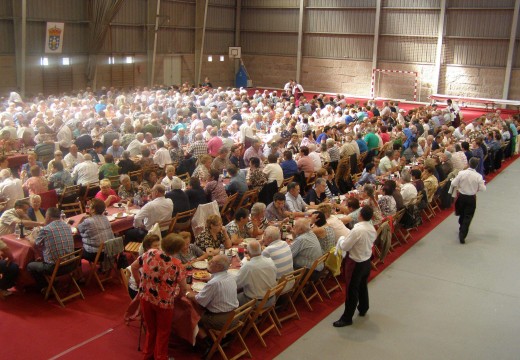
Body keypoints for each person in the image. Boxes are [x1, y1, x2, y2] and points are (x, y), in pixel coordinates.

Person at [130, 234, 188, 360]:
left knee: (151, 330)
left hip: (145, 297)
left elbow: (134, 267)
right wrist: (177, 297)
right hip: (164, 303)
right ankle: (160, 357)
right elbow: (184, 288)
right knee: (163, 332)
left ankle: (147, 355)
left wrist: (140, 283)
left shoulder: (149, 253)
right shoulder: (177, 265)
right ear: (177, 250)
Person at [334, 205, 377, 327]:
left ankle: (347, 317)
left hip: (356, 263)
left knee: (352, 290)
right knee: (363, 285)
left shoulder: (357, 230)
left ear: (360, 215)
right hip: (366, 261)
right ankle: (363, 307)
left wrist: (341, 239)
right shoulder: (371, 228)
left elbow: (345, 246)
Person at [185, 255, 238, 350]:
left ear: (219, 267)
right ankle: (223, 338)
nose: (208, 262)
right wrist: (210, 278)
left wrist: (188, 292)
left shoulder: (214, 283)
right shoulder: (230, 276)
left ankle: (207, 342)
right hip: (235, 316)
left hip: (221, 320)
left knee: (190, 314)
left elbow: (199, 301)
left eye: (212, 262)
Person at [27, 207, 75, 290]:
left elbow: (35, 245)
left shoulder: (46, 229)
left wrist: (30, 236)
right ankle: (51, 283)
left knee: (30, 265)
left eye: (45, 217)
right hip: (71, 264)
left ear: (49, 217)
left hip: (55, 268)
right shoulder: (67, 226)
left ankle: (46, 287)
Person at [451, 157, 486, 244]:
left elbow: (453, 183)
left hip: (462, 197)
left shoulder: (462, 173)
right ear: (477, 166)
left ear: (469, 164)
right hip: (471, 198)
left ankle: (461, 227)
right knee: (468, 216)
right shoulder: (478, 176)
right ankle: (462, 234)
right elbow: (483, 189)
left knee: (462, 213)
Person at [235, 239, 277, 306]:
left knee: (231, 299)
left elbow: (236, 284)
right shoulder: (270, 261)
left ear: (248, 252)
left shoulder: (248, 266)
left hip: (256, 302)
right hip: (272, 298)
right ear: (261, 249)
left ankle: (240, 316)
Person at [77, 198, 115, 262]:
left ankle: (80, 271)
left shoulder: (88, 221)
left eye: (90, 206)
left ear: (93, 210)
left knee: (77, 251)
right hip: (109, 251)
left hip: (96, 254)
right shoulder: (105, 218)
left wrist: (83, 218)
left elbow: (78, 229)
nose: (89, 208)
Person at [126, 234, 161, 299]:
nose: (158, 248)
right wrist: (139, 284)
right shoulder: (145, 257)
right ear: (148, 248)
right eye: (155, 246)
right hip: (137, 290)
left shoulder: (155, 256)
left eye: (159, 245)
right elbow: (133, 267)